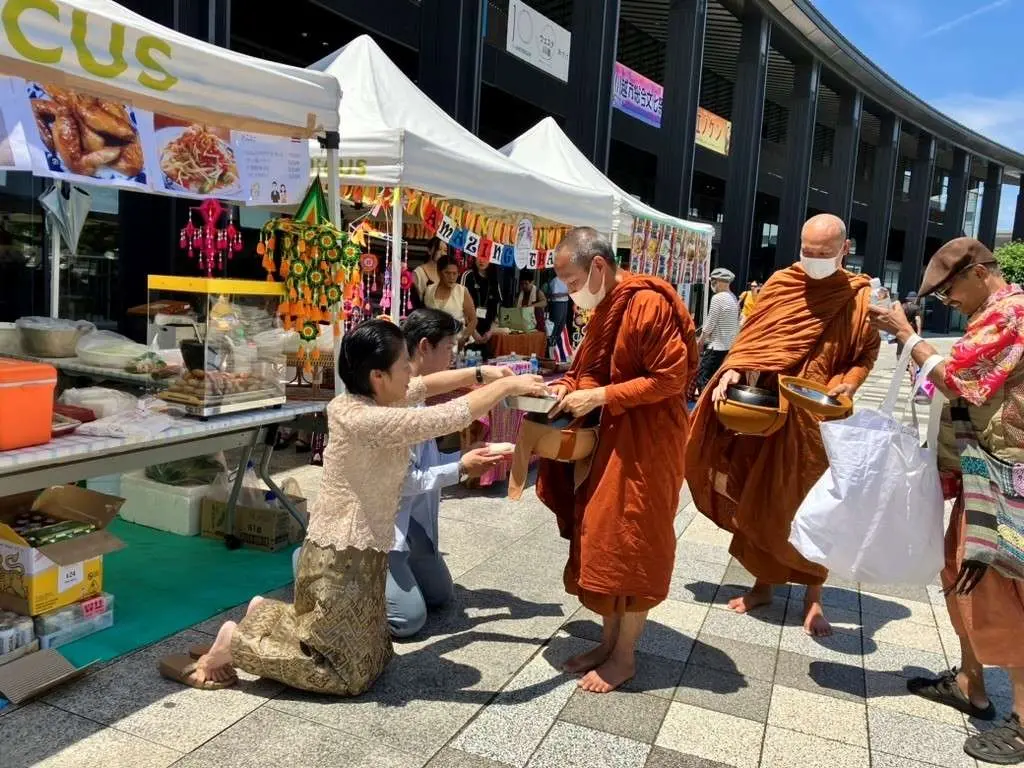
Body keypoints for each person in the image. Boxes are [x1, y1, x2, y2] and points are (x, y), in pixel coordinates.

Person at [158, 319, 548, 694]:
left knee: (374, 657)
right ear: (378, 375)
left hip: (364, 550)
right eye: (404, 365)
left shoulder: (376, 399)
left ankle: (266, 617)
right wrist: (507, 385)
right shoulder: (361, 417)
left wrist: (479, 374)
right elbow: (446, 415)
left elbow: (426, 386)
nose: (411, 373)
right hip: (338, 556)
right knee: (344, 675)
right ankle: (236, 641)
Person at [686, 213, 881, 637]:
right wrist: (733, 370)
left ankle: (814, 598)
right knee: (760, 496)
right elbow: (751, 341)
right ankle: (762, 585)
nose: (814, 260)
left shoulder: (858, 297)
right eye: (808, 252)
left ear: (844, 250)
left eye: (824, 253)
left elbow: (865, 354)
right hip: (771, 412)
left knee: (815, 507)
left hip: (820, 418)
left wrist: (848, 384)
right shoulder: (781, 285)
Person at [868, 237, 1024, 766]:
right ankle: (969, 682)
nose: (947, 300)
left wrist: (909, 336)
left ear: (979, 272)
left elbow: (959, 381)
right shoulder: (993, 314)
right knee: (961, 574)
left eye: (949, 288)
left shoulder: (1009, 313)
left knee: (1000, 588)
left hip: (1008, 479)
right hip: (985, 470)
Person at [539, 227, 697, 693]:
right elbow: (590, 368)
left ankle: (625, 655)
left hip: (648, 443)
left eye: (572, 282)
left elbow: (669, 380)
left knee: (633, 540)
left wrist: (601, 396)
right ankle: (608, 642)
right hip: (610, 437)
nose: (571, 292)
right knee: (602, 535)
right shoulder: (607, 305)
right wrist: (567, 387)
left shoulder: (647, 302)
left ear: (599, 266)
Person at [388, 308, 512, 636]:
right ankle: (323, 569)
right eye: (448, 348)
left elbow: (424, 462)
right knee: (407, 620)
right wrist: (461, 466)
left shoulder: (411, 391)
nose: (453, 357)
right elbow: (404, 480)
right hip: (376, 526)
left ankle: (396, 573)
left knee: (441, 596)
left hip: (409, 518)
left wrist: (467, 456)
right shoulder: (391, 399)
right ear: (424, 346)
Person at [695, 268, 740, 394]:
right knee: (716, 380)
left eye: (713, 281)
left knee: (703, 379)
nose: (712, 285)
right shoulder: (733, 297)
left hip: (716, 346)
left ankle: (705, 404)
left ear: (719, 282)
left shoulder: (718, 298)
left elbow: (710, 323)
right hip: (728, 347)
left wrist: (700, 342)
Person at [424, 256, 477, 344]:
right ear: (439, 272)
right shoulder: (429, 290)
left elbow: (473, 320)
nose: (451, 277)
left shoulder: (461, 291)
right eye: (447, 273)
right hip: (434, 342)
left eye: (454, 273)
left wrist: (463, 338)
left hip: (455, 342)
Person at [460, 257, 502, 356]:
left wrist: (490, 332)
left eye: (485, 258)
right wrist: (473, 332)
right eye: (479, 257)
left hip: (486, 335)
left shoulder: (494, 280)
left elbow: (497, 311)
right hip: (468, 334)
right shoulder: (467, 276)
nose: (481, 261)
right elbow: (461, 306)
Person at [413, 237, 446, 303]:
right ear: (429, 251)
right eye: (439, 249)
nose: (443, 253)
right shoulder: (418, 273)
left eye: (445, 250)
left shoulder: (446, 272)